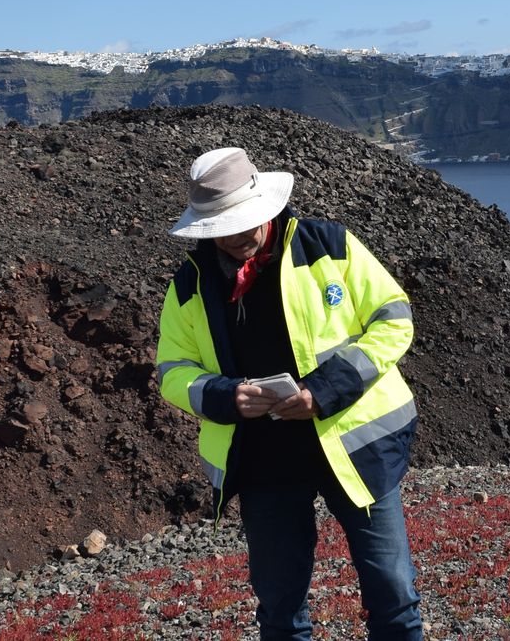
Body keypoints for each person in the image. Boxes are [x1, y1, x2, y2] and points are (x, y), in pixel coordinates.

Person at [154, 146, 423, 641]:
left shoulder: (329, 244)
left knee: (393, 593)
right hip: (262, 460)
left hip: (354, 447)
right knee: (279, 609)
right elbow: (172, 370)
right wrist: (224, 396)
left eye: (243, 221)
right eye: (222, 228)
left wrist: (322, 393)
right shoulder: (190, 285)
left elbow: (393, 319)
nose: (237, 236)